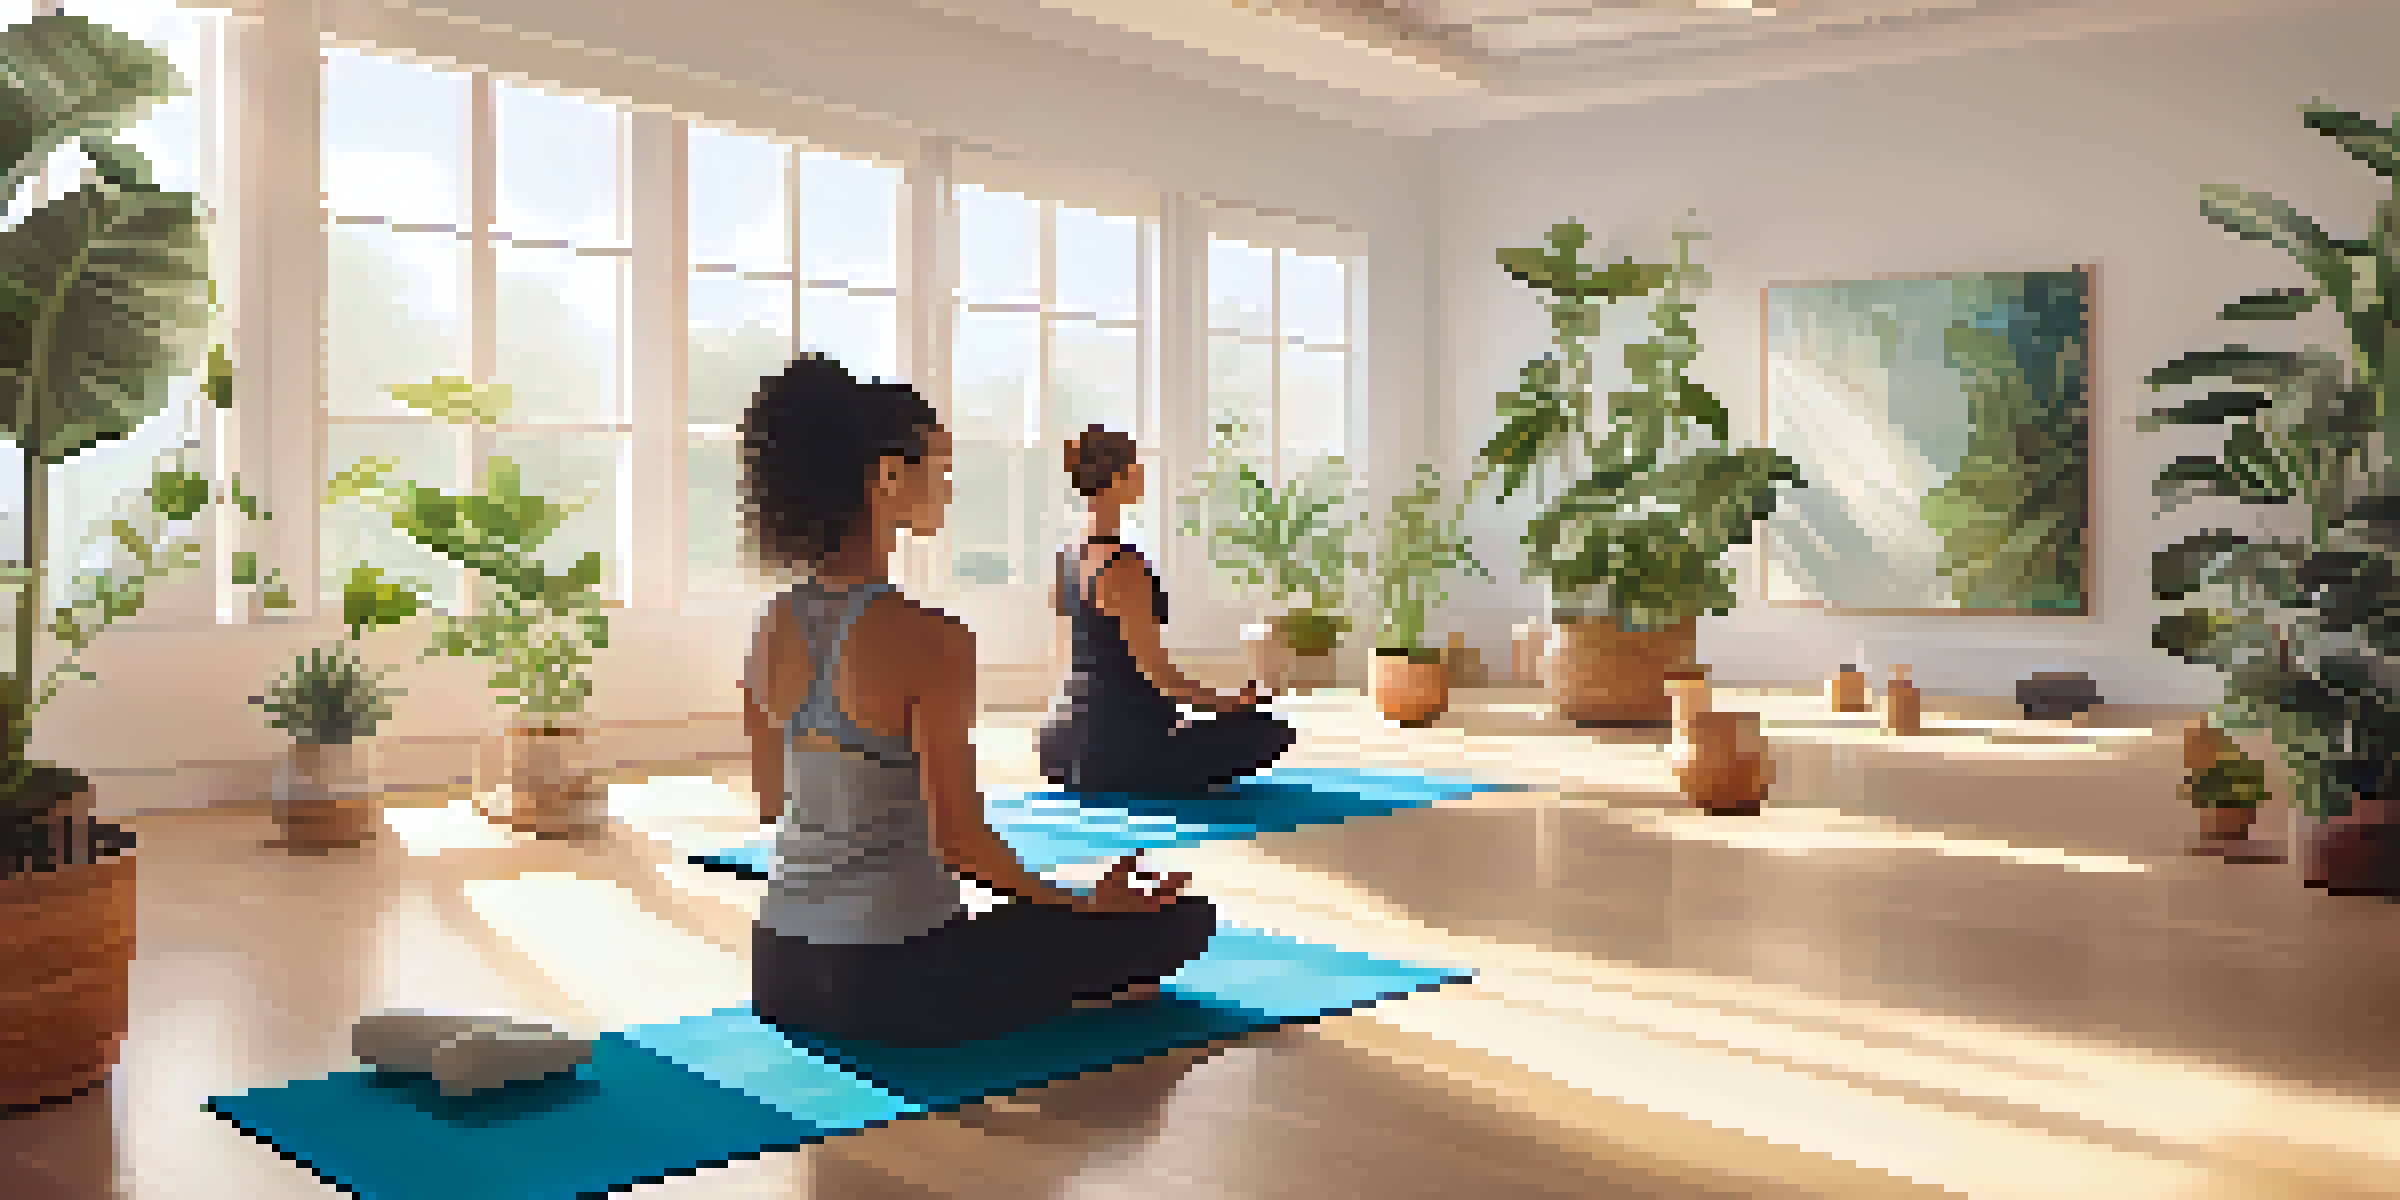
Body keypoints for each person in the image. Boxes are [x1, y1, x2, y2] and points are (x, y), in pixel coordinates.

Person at [735, 358, 1217, 1048]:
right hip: (891, 981)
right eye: (939, 463)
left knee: (1047, 931)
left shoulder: (769, 625)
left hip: (779, 968)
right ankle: (1090, 986)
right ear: (888, 476)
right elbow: (958, 843)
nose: (949, 485)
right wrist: (1081, 906)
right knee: (1181, 921)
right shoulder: (932, 640)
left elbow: (770, 804)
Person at [1037, 425, 1298, 793]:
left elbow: (1070, 659)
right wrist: (1231, 704)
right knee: (1270, 730)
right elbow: (1160, 675)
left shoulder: (1066, 558)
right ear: (1119, 476)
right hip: (1110, 751)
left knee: (1189, 729)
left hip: (1058, 747)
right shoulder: (1124, 564)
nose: (1143, 474)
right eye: (1137, 466)